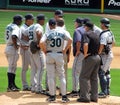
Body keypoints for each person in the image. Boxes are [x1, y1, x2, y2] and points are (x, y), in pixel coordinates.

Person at [40, 18, 72, 102]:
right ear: (56, 25)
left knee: (51, 76)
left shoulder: (47, 33)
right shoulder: (63, 32)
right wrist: (65, 49)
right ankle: (64, 97)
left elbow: (41, 42)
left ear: (49, 25)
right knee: (62, 75)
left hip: (50, 54)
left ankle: (52, 96)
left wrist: (44, 51)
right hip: (59, 55)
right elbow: (70, 40)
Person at [77, 22, 101, 103]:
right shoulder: (96, 34)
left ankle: (85, 97)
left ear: (86, 27)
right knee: (94, 78)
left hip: (90, 58)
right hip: (97, 57)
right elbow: (101, 45)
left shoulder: (86, 34)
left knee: (83, 77)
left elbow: (86, 44)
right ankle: (94, 97)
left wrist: (85, 54)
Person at [27, 14, 45, 94]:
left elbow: (25, 35)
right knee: (41, 67)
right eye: (43, 19)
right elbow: (39, 33)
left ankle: (33, 87)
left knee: (33, 68)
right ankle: (39, 87)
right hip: (36, 49)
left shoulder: (31, 26)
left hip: (30, 48)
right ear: (41, 20)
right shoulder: (38, 26)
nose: (44, 21)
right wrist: (38, 43)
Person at [5, 14, 23, 92]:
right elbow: (14, 36)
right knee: (11, 67)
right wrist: (16, 45)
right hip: (12, 48)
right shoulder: (16, 27)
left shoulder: (8, 25)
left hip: (8, 47)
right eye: (21, 20)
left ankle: (13, 85)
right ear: (17, 20)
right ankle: (10, 86)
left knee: (13, 67)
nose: (21, 21)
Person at [67, 17, 85, 97]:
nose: (74, 24)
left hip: (80, 53)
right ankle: (82, 89)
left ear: (77, 23)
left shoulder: (77, 30)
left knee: (75, 72)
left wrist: (77, 51)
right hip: (86, 54)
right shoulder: (85, 29)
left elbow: (78, 41)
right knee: (82, 72)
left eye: (75, 22)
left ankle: (75, 90)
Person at [98, 18, 115, 98]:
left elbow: (102, 45)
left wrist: (99, 53)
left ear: (103, 24)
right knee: (107, 73)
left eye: (101, 23)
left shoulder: (104, 34)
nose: (100, 24)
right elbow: (114, 43)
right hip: (109, 54)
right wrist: (109, 48)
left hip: (105, 56)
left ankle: (104, 92)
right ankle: (107, 90)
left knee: (101, 73)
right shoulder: (110, 32)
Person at [20, 14, 34, 91]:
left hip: (29, 49)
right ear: (27, 20)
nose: (33, 21)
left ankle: (33, 84)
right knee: (25, 68)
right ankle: (25, 85)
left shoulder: (29, 27)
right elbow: (25, 37)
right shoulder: (23, 28)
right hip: (25, 49)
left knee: (33, 67)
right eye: (31, 19)